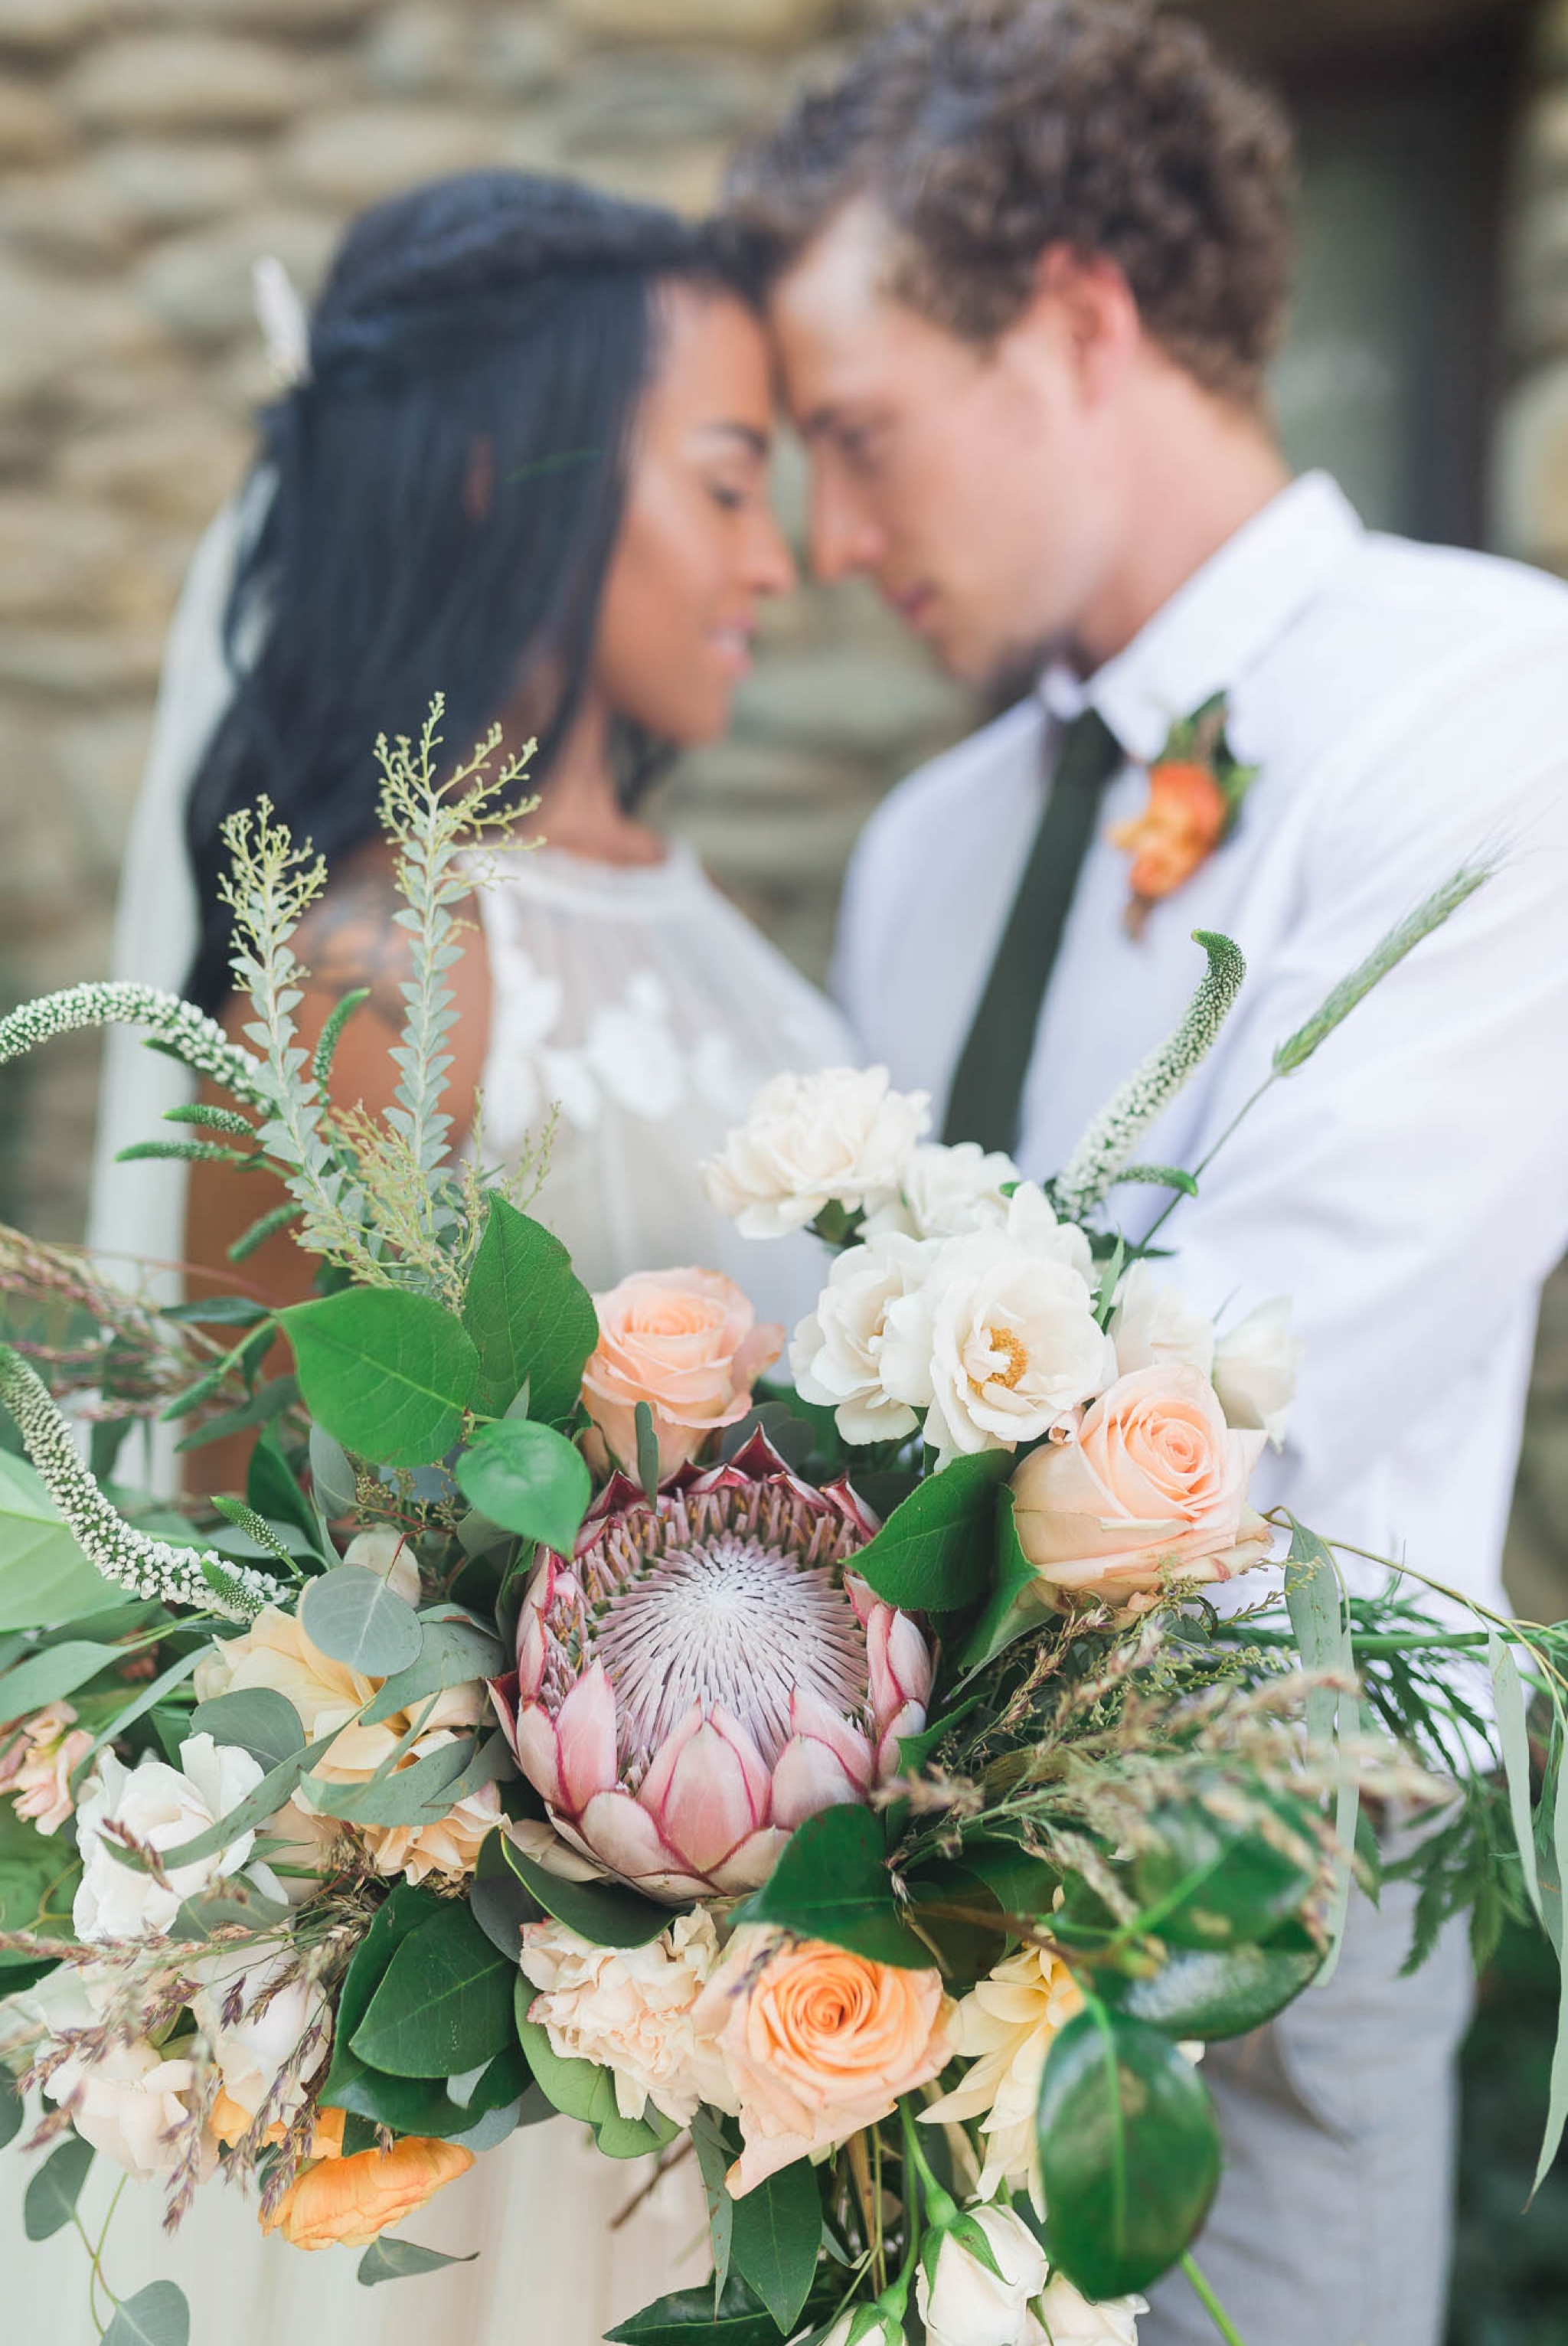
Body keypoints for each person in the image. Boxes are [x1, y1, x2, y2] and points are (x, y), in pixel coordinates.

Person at [725, 5, 1568, 2341]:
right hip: (848, 1937)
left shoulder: (1497, 714)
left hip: (1257, 1930)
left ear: (1079, 325)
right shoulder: (922, 846)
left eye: (863, 442)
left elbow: (1277, 1350)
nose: (834, 544)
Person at [41, 170, 854, 2346]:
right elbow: (254, 1573)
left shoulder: (711, 927)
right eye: (724, 481)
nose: (779, 558)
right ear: (511, 470)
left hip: (779, 2004)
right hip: (512, 2059)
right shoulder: (371, 978)